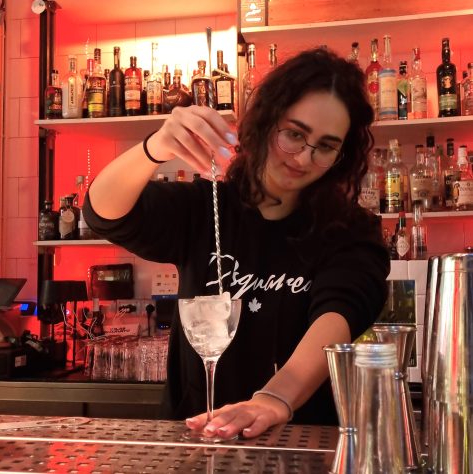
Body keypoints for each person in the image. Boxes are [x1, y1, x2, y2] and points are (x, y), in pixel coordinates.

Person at [83, 47, 390, 439]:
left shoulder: (350, 230)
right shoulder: (207, 206)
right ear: (265, 122)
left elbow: (337, 317)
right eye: (294, 134)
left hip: (299, 442)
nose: (304, 157)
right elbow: (103, 213)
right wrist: (155, 148)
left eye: (326, 146)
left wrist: (274, 399)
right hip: (194, 439)